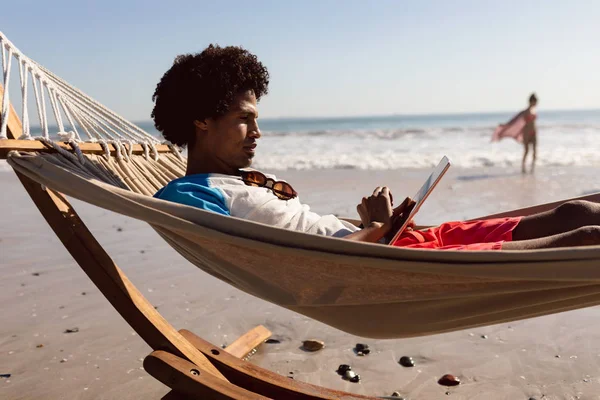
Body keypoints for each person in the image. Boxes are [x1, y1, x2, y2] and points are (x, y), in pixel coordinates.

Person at [152, 46, 600, 251]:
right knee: (585, 239)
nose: (257, 131)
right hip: (403, 261)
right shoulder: (191, 196)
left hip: (395, 240)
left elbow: (309, 232)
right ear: (202, 121)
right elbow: (288, 254)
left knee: (575, 211)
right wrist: (380, 232)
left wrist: (377, 224)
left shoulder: (236, 182)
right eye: (244, 119)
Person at [492, 93, 538, 174]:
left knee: (535, 150)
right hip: (526, 133)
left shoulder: (534, 111)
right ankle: (523, 167)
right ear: (531, 101)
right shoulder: (525, 111)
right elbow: (514, 120)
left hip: (534, 132)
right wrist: (505, 125)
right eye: (534, 101)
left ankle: (532, 168)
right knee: (526, 151)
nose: (535, 103)